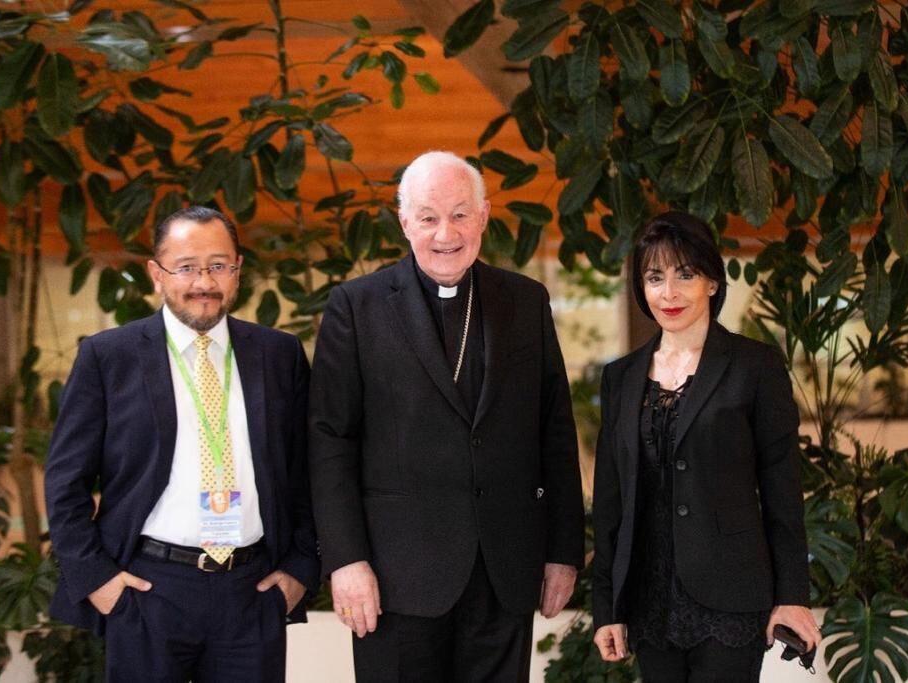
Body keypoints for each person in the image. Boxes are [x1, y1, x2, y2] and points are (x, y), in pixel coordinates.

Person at [308, 151, 584, 681]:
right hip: (395, 578)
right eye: (429, 216)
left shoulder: (525, 302)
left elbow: (554, 432)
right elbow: (330, 441)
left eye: (460, 214)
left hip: (503, 571)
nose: (445, 233)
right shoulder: (357, 307)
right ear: (405, 221)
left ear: (483, 216)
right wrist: (345, 560)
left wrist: (563, 551)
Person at [45, 206, 319, 682]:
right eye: (187, 267)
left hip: (251, 591)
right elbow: (65, 482)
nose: (204, 282)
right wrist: (99, 582)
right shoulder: (108, 357)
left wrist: (299, 569)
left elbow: (307, 472)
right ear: (157, 273)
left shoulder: (279, 355)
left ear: (237, 271)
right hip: (148, 590)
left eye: (218, 265)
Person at [591, 211, 821, 680]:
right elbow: (611, 502)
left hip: (731, 598)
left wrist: (793, 596)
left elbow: (782, 492)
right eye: (655, 277)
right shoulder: (621, 377)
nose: (668, 293)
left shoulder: (754, 366)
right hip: (648, 602)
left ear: (712, 282)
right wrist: (606, 608)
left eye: (685, 274)